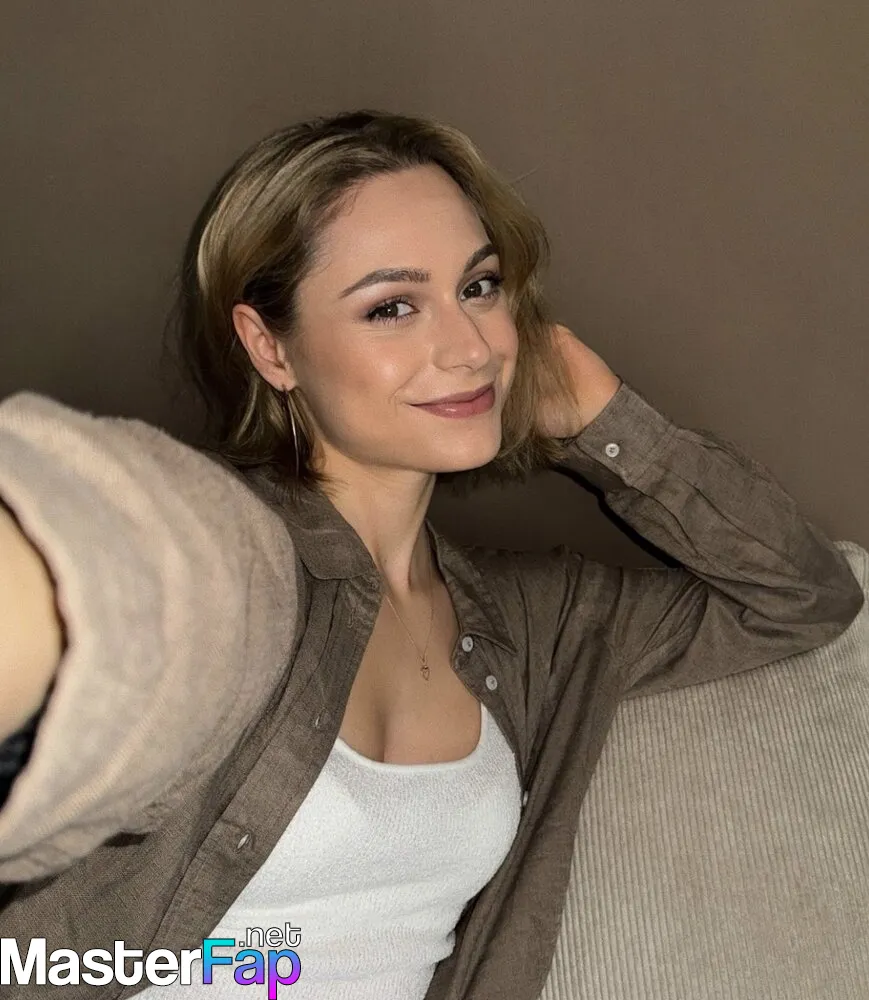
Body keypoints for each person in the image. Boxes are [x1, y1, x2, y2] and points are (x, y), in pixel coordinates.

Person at [0, 109, 862, 1000]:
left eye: (478, 287)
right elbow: (95, 574)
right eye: (392, 307)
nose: (471, 347)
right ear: (269, 347)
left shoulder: (536, 625)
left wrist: (609, 426)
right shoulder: (227, 560)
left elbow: (806, 597)